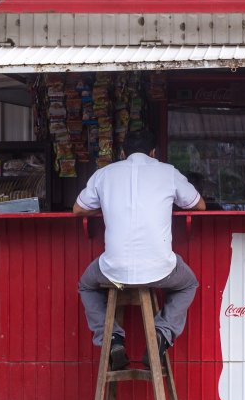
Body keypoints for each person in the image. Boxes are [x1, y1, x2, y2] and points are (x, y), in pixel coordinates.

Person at [73, 129, 206, 370]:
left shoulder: (104, 174)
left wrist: (106, 207)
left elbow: (78, 210)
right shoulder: (168, 172)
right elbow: (200, 205)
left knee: (86, 284)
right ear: (154, 153)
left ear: (123, 153)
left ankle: (110, 338)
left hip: (113, 272)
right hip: (161, 270)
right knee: (189, 283)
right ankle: (162, 334)